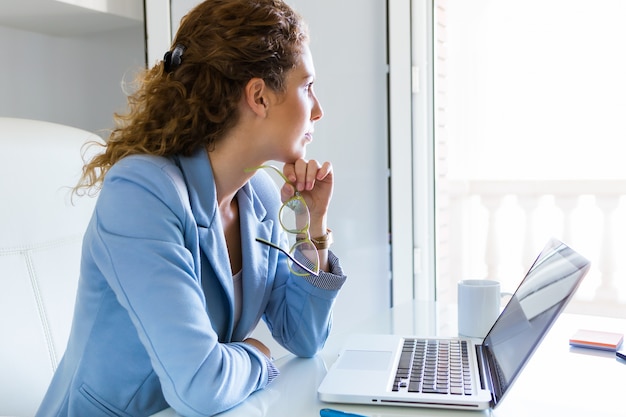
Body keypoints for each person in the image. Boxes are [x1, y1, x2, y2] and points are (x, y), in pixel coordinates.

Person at [35, 1, 347, 416]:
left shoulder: (261, 195)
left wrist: (309, 224)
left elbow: (305, 337)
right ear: (258, 96)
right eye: (307, 86)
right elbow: (199, 386)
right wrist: (257, 356)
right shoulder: (141, 193)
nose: (318, 109)